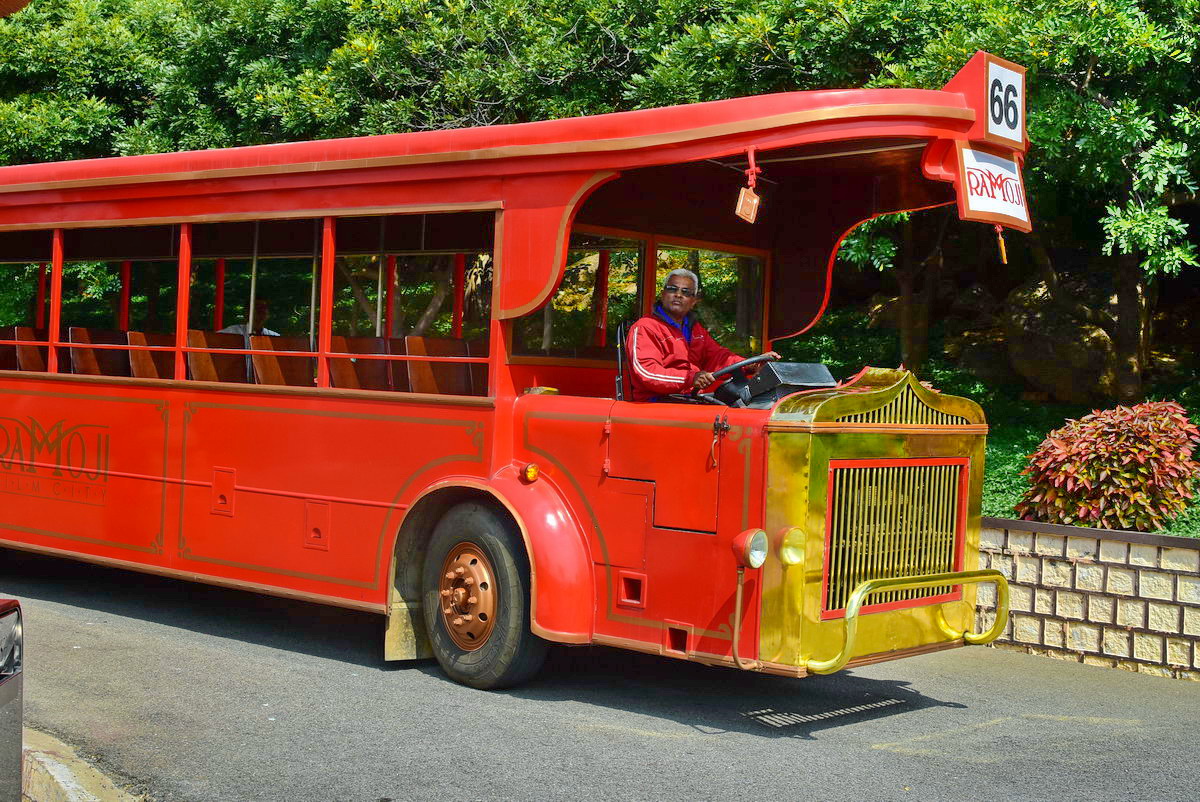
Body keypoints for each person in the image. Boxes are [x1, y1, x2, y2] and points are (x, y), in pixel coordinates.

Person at [625, 268, 779, 402]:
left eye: (686, 292)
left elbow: (718, 357)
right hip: (655, 404)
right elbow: (647, 373)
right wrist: (691, 378)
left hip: (688, 400)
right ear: (662, 293)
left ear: (694, 301)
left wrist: (751, 365)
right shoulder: (645, 327)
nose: (678, 294)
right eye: (672, 289)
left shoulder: (695, 329)